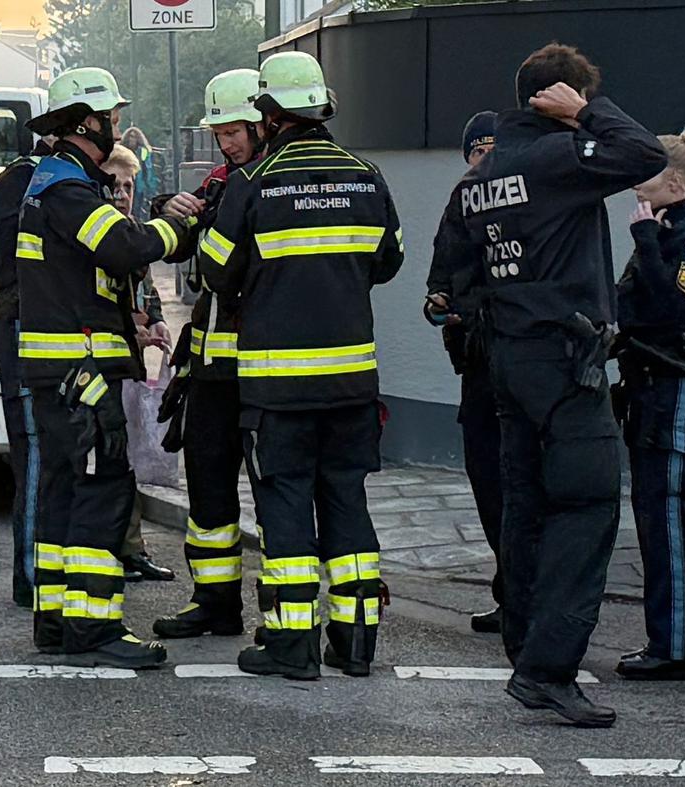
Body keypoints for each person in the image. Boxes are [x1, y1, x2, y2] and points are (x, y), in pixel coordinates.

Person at [433, 43, 666, 727]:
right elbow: (645, 155)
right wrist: (590, 112)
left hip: (505, 364)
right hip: (566, 364)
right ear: (558, 100)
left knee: (526, 506)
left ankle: (523, 646)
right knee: (588, 507)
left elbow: (449, 276)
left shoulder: (476, 180)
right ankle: (549, 667)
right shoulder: (561, 157)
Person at [197, 51, 403, 680]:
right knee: (346, 498)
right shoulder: (365, 176)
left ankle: (292, 646)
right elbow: (388, 260)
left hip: (278, 388)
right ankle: (357, 642)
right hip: (350, 383)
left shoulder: (254, 184)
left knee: (285, 505)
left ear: (268, 112)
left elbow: (213, 269)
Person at [17, 67, 188, 668]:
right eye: (111, 116)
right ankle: (94, 630)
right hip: (80, 373)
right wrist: (178, 224)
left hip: (61, 372)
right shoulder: (67, 188)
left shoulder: (52, 183)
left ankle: (59, 622)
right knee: (101, 487)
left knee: (65, 489)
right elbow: (124, 248)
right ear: (86, 120)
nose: (116, 124)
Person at [150, 68, 266, 640]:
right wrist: (167, 206)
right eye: (220, 133)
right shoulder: (222, 183)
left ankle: (285, 617)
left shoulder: (275, 184)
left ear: (265, 120)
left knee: (276, 495)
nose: (227, 142)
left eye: (237, 130)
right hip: (212, 370)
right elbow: (192, 246)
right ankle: (215, 604)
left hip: (269, 369)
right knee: (209, 491)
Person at [613, 127, 685, 682]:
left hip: (680, 388)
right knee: (654, 519)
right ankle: (668, 640)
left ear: (676, 184)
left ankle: (677, 648)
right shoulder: (666, 232)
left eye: (647, 176)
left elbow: (671, 308)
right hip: (653, 388)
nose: (637, 186)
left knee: (667, 521)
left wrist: (641, 238)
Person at [425, 110, 504, 634]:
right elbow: (440, 279)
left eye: (493, 151)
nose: (485, 162)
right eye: (478, 152)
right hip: (477, 367)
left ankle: (528, 595)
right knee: (489, 484)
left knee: (517, 483)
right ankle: (511, 591)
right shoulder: (459, 207)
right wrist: (439, 305)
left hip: (518, 368)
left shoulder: (522, 205)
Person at [97, 143, 177, 584]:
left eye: (128, 186)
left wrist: (160, 323)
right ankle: (116, 551)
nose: (123, 194)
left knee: (125, 463)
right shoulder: (97, 235)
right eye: (114, 185)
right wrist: (132, 327)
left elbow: (148, 293)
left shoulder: (133, 233)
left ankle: (132, 550)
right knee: (108, 464)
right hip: (101, 367)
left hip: (127, 365)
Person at [0, 135, 51, 608]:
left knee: (37, 454)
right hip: (23, 323)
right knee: (32, 452)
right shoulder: (34, 180)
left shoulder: (22, 178)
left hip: (22, 322)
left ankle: (39, 571)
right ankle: (31, 576)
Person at [121, 127, 160, 220]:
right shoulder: (122, 150)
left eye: (134, 137)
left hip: (139, 183)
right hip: (125, 182)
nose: (132, 139)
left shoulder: (143, 151)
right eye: (130, 136)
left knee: (138, 208)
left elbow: (148, 168)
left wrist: (151, 187)